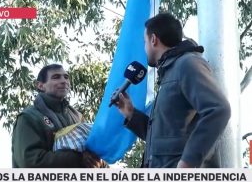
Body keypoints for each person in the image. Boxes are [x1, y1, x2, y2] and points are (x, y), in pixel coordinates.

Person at [114, 13, 231, 168]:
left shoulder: (187, 64)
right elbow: (164, 140)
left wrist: (188, 162)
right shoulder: (170, 73)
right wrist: (130, 113)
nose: (144, 48)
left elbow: (218, 109)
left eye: (145, 42)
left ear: (153, 39)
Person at [12, 64, 105, 168]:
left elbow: (92, 150)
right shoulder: (29, 117)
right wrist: (79, 158)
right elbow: (30, 162)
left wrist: (98, 161)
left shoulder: (77, 117)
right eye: (56, 77)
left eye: (66, 77)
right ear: (40, 85)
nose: (64, 81)